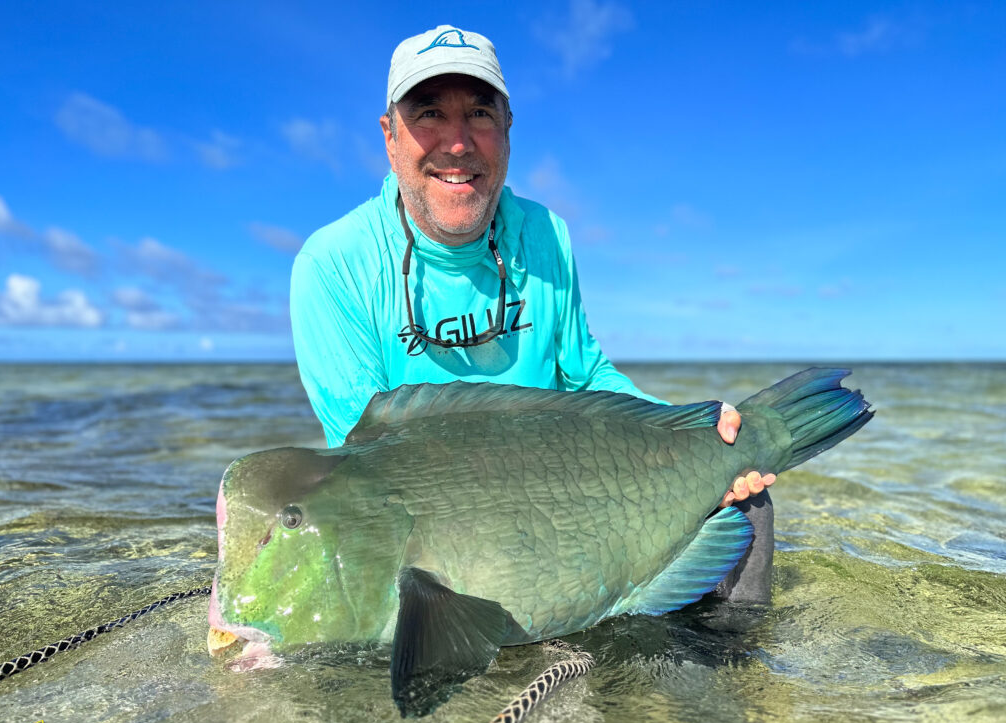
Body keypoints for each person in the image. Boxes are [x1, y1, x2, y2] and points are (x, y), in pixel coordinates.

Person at [290, 25, 773, 601]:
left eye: (479, 114)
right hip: (428, 521)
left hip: (565, 490)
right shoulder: (331, 264)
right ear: (390, 135)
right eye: (428, 114)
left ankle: (733, 677)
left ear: (509, 130)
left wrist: (687, 428)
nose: (458, 143)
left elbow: (586, 373)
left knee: (748, 498)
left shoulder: (546, 232)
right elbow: (363, 449)